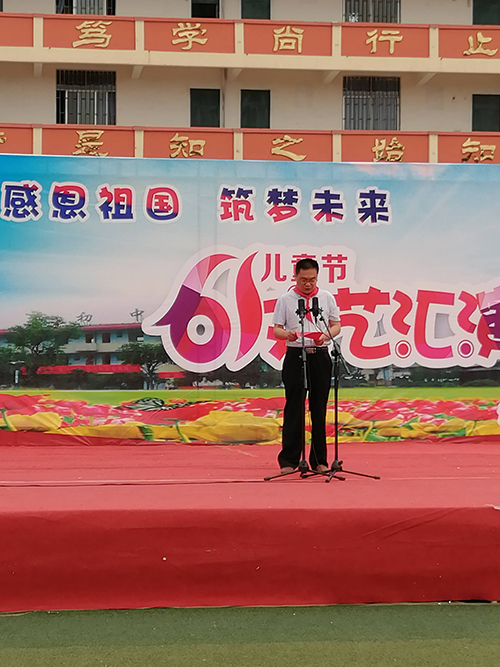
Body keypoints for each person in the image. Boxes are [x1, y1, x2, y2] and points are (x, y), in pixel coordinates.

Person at [272, 258, 341, 474]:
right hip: (295, 355)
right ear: (295, 276)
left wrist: (325, 335)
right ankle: (289, 461)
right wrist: (288, 334)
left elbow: (336, 325)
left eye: (312, 279)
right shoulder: (285, 299)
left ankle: (319, 460)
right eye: (304, 279)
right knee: (294, 407)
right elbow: (276, 329)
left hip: (319, 355)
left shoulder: (326, 297)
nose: (308, 284)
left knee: (319, 409)